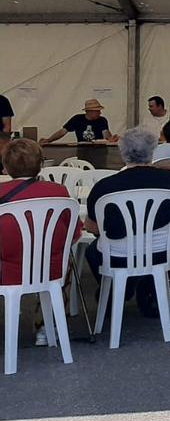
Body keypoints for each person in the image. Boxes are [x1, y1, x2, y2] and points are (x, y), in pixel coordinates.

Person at [0, 138, 82, 346]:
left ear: (5, 166)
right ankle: (46, 326)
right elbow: (74, 235)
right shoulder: (59, 192)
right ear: (41, 164)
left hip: (7, 269)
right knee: (65, 262)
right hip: (50, 269)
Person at [83, 128, 170, 285]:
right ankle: (144, 287)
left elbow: (92, 227)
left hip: (118, 255)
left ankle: (118, 291)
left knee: (92, 251)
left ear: (122, 152)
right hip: (161, 251)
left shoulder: (105, 186)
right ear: (152, 151)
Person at [40, 98, 117, 145]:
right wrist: (49, 140)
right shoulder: (77, 119)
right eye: (97, 111)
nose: (100, 113)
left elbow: (106, 133)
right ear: (89, 111)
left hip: (99, 151)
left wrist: (111, 139)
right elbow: (62, 132)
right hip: (82, 150)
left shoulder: (102, 120)